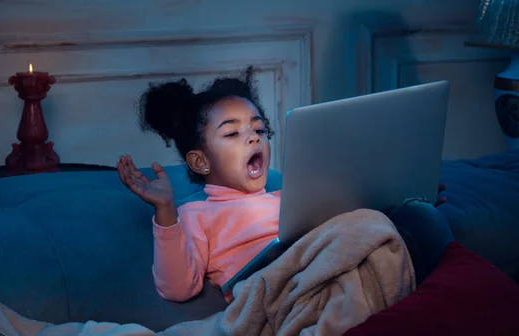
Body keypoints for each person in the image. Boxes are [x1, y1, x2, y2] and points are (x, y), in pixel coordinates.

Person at [117, 66, 452, 303]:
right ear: (201, 161)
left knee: (418, 217)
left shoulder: (292, 196)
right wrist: (165, 211)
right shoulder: (196, 212)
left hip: (330, 270)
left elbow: (347, 236)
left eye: (259, 129)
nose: (251, 138)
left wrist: (410, 192)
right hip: (274, 291)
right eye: (233, 133)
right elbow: (177, 288)